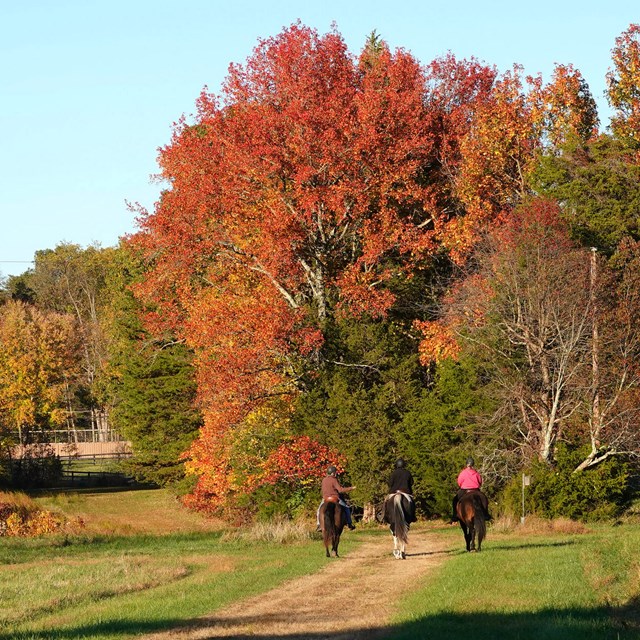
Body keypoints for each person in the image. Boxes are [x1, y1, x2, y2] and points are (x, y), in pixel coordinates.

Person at [450, 457, 491, 523]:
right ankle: (486, 514)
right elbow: (480, 481)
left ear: (466, 464)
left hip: (465, 490)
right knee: (484, 498)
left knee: (455, 500)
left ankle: (455, 515)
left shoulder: (463, 473)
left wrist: (462, 486)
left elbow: (459, 482)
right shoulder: (476, 473)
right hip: (476, 490)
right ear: (473, 464)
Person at [316, 465, 356, 531]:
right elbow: (340, 490)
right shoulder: (334, 480)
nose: (336, 474)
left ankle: (319, 525)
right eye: (335, 472)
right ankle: (349, 524)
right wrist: (351, 488)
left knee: (319, 510)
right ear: (332, 473)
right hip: (334, 498)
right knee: (346, 508)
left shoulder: (324, 480)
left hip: (325, 498)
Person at [388, 458, 417, 523]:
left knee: (385, 502)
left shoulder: (393, 473)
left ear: (396, 465)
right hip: (406, 492)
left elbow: (390, 484)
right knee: (412, 503)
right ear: (404, 465)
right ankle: (413, 516)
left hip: (394, 492)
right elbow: (412, 483)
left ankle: (383, 515)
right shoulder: (407, 473)